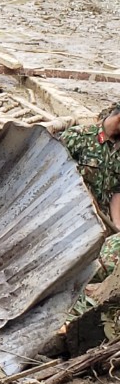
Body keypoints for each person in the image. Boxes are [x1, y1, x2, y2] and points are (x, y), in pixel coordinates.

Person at [58, 102, 120, 279]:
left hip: (101, 224)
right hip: (71, 219)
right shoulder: (79, 137)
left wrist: (116, 224)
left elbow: (117, 190)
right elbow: (53, 172)